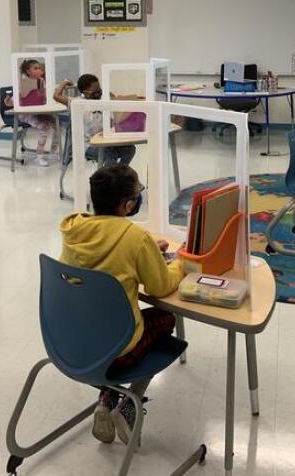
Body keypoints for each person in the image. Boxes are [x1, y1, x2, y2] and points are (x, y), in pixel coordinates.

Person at [60, 164, 184, 446]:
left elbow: (107, 242)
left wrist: (148, 248)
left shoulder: (74, 229)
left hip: (73, 341)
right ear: (128, 204)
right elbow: (160, 286)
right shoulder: (135, 238)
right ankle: (128, 404)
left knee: (111, 320)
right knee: (165, 319)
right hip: (117, 349)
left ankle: (107, 396)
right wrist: (182, 266)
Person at [53, 74, 136, 167]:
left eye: (99, 90)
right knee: (109, 155)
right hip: (89, 144)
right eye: (95, 91)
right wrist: (65, 82)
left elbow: (117, 112)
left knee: (129, 149)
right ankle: (111, 178)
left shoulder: (102, 101)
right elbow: (56, 96)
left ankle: (120, 173)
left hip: (106, 140)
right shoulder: (77, 103)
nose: (99, 93)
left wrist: (112, 97)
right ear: (85, 92)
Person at [17, 59, 58, 167]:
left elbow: (45, 95)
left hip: (41, 111)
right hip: (27, 113)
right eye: (36, 68)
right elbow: (16, 97)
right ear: (28, 71)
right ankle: (39, 156)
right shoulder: (23, 82)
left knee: (58, 125)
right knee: (44, 127)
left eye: (40, 68)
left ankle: (53, 152)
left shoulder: (41, 81)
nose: (39, 70)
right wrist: (8, 101)